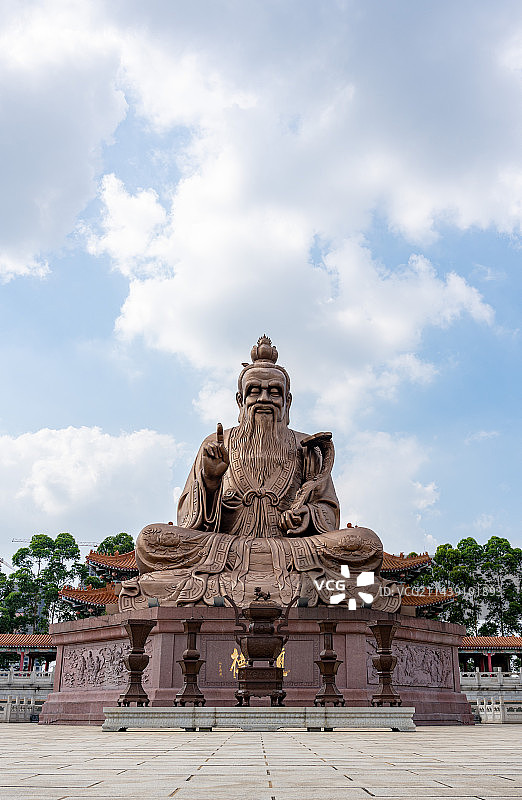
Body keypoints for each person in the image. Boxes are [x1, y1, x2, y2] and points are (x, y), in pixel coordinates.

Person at [119, 336, 400, 610]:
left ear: (287, 401)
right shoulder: (217, 443)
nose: (264, 398)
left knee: (367, 543)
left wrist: (307, 516)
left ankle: (205, 588)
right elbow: (189, 522)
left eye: (274, 392)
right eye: (255, 391)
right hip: (224, 549)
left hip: (294, 551)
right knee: (149, 539)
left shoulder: (306, 447)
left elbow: (328, 513)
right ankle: (308, 588)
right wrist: (211, 481)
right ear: (240, 400)